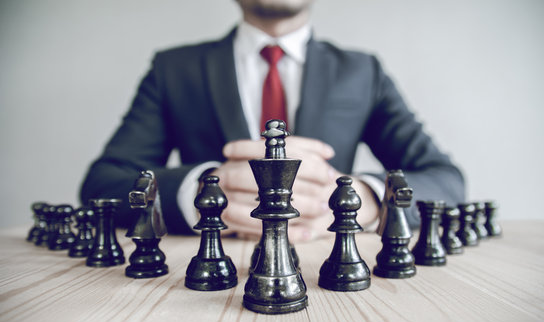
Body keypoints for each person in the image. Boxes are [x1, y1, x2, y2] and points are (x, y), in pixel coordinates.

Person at [80, 0, 465, 242]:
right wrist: (198, 194)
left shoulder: (363, 71)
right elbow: (102, 185)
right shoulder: (174, 69)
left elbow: (446, 179)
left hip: (327, 276)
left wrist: (366, 200)